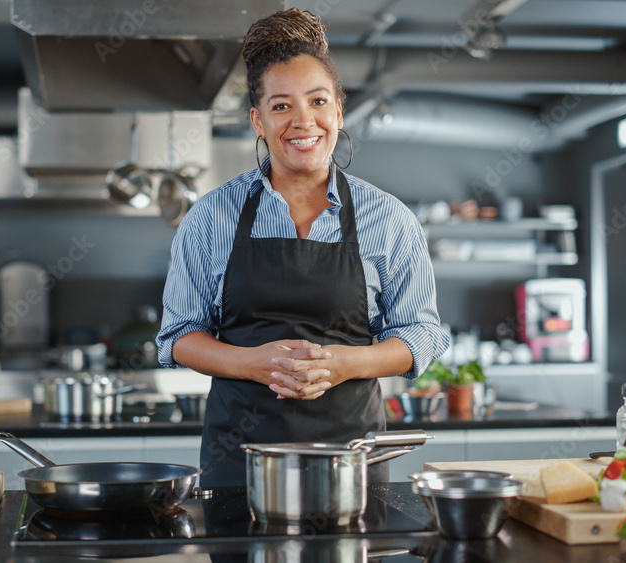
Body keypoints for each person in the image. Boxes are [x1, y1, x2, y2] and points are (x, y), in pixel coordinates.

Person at [156, 8, 449, 487]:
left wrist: (342, 364)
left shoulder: (390, 219)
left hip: (351, 463)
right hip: (241, 465)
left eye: (317, 101)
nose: (303, 121)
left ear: (338, 110)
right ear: (257, 120)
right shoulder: (210, 217)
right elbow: (179, 335)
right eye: (280, 106)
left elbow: (421, 333)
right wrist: (253, 363)